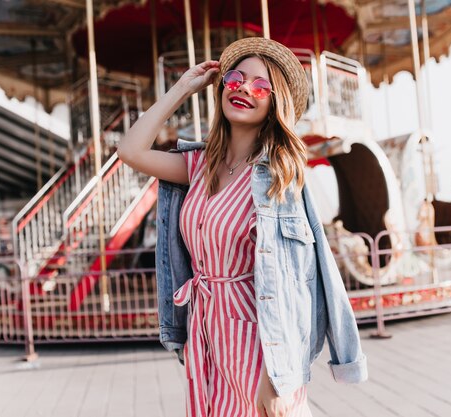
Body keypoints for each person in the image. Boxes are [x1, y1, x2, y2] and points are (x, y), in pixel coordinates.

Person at [118, 37, 367, 417]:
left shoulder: (277, 177)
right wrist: (183, 88)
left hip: (258, 340)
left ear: (274, 103)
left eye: (261, 86)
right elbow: (130, 151)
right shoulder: (199, 165)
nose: (244, 89)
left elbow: (294, 281)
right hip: (207, 337)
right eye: (236, 78)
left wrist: (277, 378)